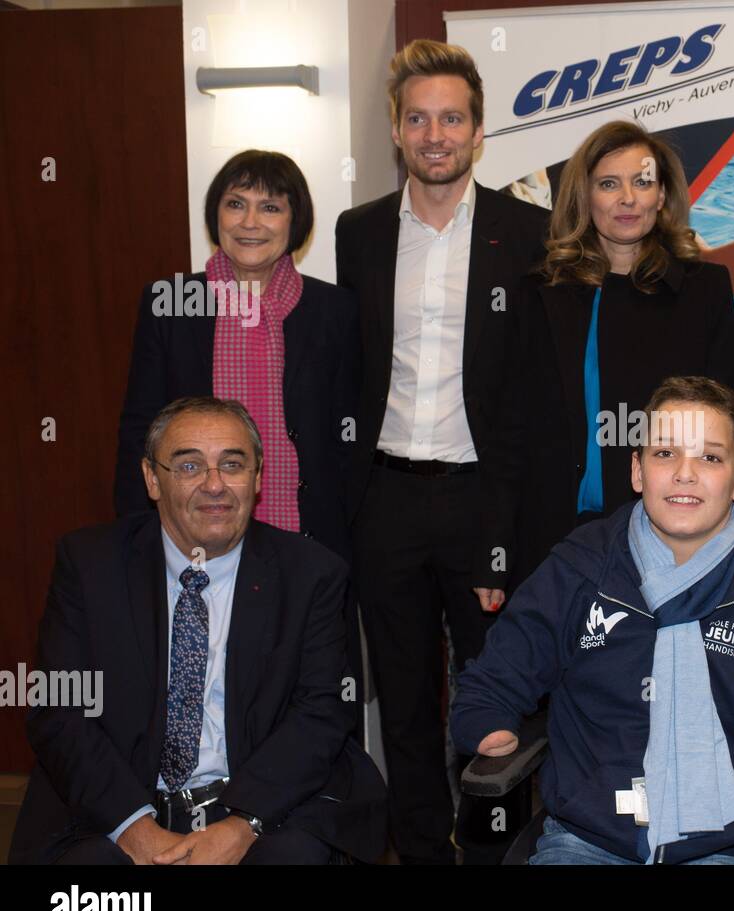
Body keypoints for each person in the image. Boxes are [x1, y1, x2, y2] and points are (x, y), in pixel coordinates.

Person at [450, 377, 734, 864]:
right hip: (585, 841)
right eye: (665, 454)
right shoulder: (580, 569)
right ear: (637, 470)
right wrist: (486, 727)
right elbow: (490, 685)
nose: (685, 474)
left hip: (718, 849)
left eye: (710, 457)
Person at [334, 39, 548, 865]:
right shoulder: (357, 236)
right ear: (396, 129)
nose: (434, 134)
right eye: (418, 118)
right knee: (406, 700)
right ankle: (423, 850)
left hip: (480, 501)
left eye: (451, 118)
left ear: (478, 131)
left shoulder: (525, 233)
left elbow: (531, 397)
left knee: (495, 697)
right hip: (383, 498)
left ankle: (496, 851)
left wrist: (507, 520)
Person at [10, 397, 387, 865]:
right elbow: (59, 711)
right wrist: (135, 829)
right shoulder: (90, 565)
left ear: (258, 477)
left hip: (263, 805)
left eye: (233, 464)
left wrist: (241, 825)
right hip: (121, 804)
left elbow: (321, 715)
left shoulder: (311, 574)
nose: (215, 485)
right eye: (190, 465)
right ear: (152, 478)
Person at [114, 150, 364, 732]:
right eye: (236, 203)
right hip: (193, 536)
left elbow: (350, 434)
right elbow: (138, 426)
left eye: (270, 206)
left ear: (294, 221)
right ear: (216, 215)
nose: (251, 221)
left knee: (309, 695)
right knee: (206, 688)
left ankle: (308, 817)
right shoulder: (170, 303)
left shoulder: (335, 310)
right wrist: (135, 539)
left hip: (307, 537)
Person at [502, 120, 734, 588]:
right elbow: (510, 426)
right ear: (584, 196)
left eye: (642, 182)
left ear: (662, 195)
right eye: (609, 184)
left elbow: (726, 421)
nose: (627, 199)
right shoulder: (541, 291)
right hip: (552, 535)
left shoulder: (704, 291)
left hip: (670, 534)